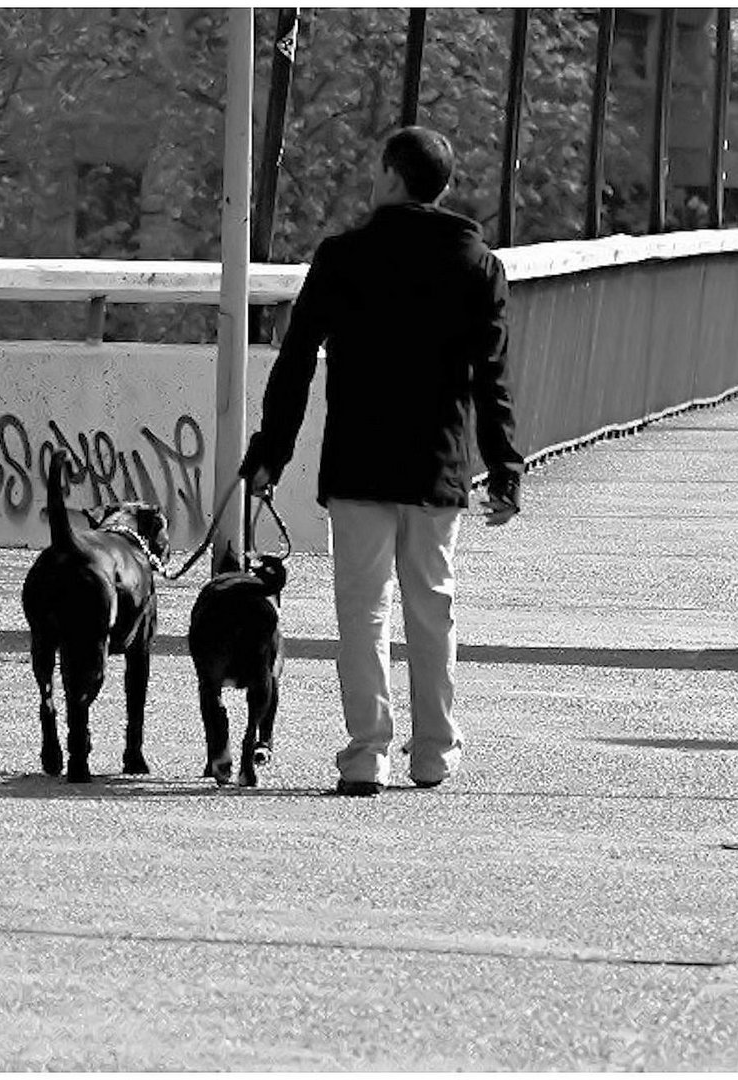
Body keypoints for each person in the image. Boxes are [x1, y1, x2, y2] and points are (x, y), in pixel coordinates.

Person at [240, 125, 524, 797]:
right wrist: (505, 467)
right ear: (443, 188)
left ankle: (367, 753)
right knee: (433, 608)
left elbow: (297, 361)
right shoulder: (477, 264)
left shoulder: (343, 257)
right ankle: (433, 750)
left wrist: (269, 454)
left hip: (360, 462)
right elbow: (493, 377)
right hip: (436, 466)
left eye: (377, 170)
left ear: (394, 176)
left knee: (364, 611)